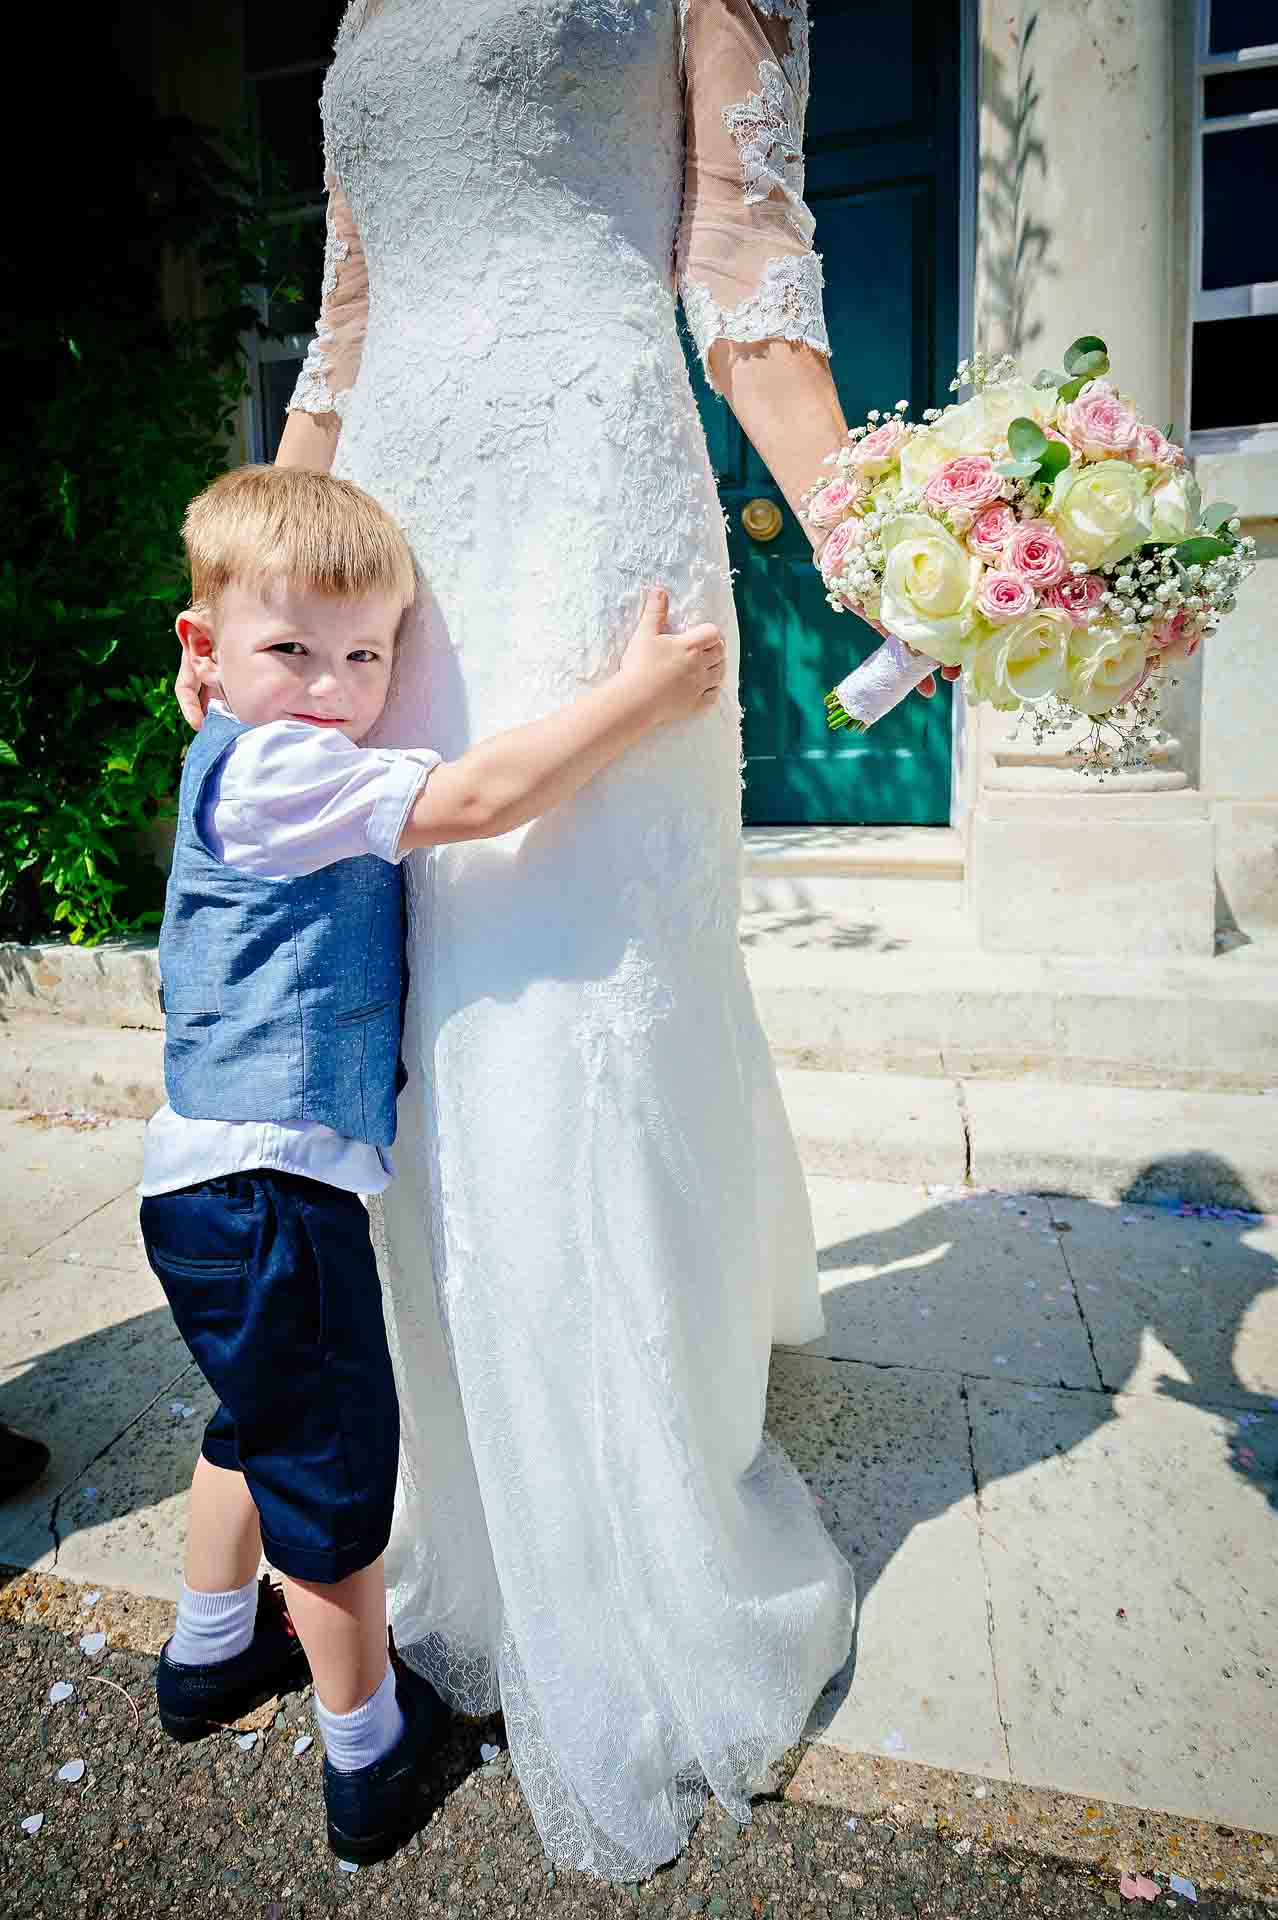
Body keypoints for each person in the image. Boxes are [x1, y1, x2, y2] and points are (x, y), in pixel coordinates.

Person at [173, 0, 956, 1881]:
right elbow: (343, 336)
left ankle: (590, 1491)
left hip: (586, 484)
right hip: (388, 535)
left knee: (560, 969)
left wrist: (909, 548)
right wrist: (245, 584)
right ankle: (404, 1455)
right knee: (407, 966)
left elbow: (746, 281)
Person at [142, 464, 725, 1865]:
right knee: (333, 1489)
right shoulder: (280, 763)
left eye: (366, 657)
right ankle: (369, 1753)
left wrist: (251, 680)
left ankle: (211, 1654)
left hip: (214, 1182)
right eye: (291, 651)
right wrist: (634, 702)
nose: (334, 688)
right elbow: (478, 796)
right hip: (276, 1188)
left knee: (255, 1423)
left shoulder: (243, 740)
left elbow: (316, 726)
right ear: (203, 648)